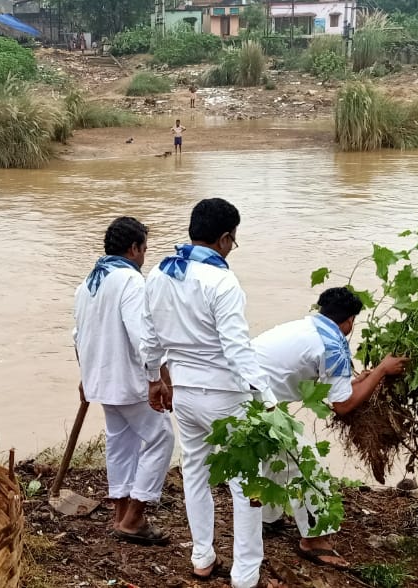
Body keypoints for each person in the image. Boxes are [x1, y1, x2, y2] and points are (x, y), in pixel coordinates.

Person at [142, 198, 280, 588]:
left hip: (184, 393)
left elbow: (149, 339)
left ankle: (202, 556)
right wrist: (268, 397)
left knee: (195, 473)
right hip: (225, 395)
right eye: (233, 240)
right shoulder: (222, 281)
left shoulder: (159, 274)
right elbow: (237, 350)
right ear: (224, 239)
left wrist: (154, 379)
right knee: (247, 483)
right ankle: (245, 573)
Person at [253, 287, 409, 569]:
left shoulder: (309, 327)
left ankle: (265, 517)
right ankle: (314, 540)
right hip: (257, 399)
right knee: (307, 462)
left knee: (276, 454)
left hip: (241, 388)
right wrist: (381, 371)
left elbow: (328, 385)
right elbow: (343, 405)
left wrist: (360, 380)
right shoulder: (334, 346)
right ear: (350, 320)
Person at [73, 217, 174, 546]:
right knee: (161, 438)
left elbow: (78, 336)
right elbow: (142, 336)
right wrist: (156, 378)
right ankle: (134, 518)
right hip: (128, 382)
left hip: (102, 381)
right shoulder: (130, 280)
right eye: (144, 248)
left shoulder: (88, 283)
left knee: (121, 443)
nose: (144, 256)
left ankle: (121, 514)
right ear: (134, 248)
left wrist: (85, 375)